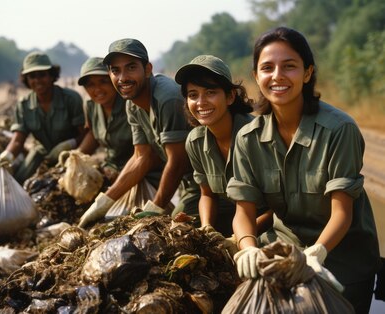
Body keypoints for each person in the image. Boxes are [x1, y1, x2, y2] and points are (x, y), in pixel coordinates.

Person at [226, 27, 380, 313]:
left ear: (308, 73)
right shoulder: (248, 138)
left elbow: (342, 213)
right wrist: (247, 246)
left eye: (290, 66)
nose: (277, 76)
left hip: (341, 255)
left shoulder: (338, 129)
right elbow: (243, 212)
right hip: (283, 248)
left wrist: (318, 252)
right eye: (267, 68)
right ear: (257, 77)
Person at [78, 38, 200, 228]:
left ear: (148, 69)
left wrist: (155, 208)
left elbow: (177, 162)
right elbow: (140, 156)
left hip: (205, 183)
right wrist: (103, 203)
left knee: (179, 230)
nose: (122, 78)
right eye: (115, 70)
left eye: (131, 67)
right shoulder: (132, 106)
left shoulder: (167, 98)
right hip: (187, 183)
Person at [175, 55, 272, 237]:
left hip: (270, 222)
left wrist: (240, 236)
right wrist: (207, 228)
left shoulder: (259, 136)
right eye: (193, 95)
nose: (201, 102)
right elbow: (207, 194)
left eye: (210, 92)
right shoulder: (195, 141)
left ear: (230, 96)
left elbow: (281, 206)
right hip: (234, 216)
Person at [0, 51, 86, 184]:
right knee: (19, 181)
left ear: (51, 76)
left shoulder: (71, 99)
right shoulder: (23, 104)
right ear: (26, 79)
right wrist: (6, 156)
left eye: (42, 75)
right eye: (32, 76)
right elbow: (18, 140)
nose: (37, 80)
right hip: (41, 151)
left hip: (71, 153)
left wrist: (68, 145)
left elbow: (85, 134)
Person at [76, 56, 133, 183]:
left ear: (114, 81)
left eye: (103, 81)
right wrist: (76, 155)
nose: (98, 89)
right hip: (110, 167)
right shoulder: (90, 105)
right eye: (90, 84)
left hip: (136, 170)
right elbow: (93, 134)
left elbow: (145, 153)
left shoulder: (131, 104)